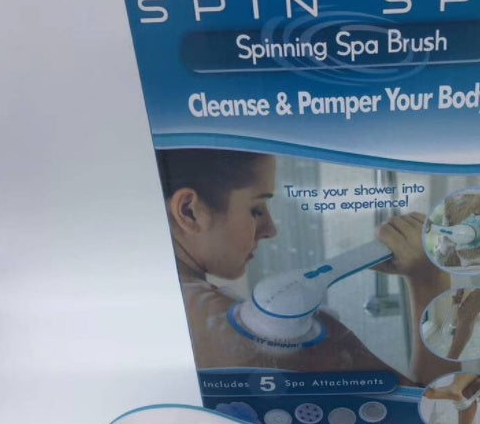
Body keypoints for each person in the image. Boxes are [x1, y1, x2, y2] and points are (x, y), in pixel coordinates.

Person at [156, 148, 451, 385]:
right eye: (256, 210)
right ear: (189, 211)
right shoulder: (273, 333)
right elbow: (438, 416)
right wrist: (430, 278)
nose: (271, 229)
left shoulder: (159, 314)